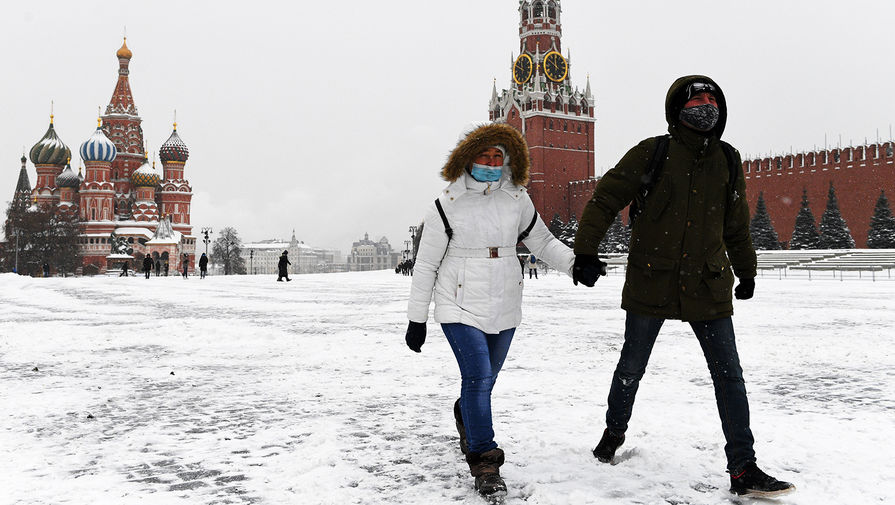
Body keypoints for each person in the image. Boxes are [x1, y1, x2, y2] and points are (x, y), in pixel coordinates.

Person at [572, 75, 794, 498]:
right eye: (696, 101)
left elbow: (736, 224)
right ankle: (613, 434)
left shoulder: (728, 160)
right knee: (631, 369)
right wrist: (585, 251)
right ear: (678, 110)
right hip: (651, 280)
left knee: (730, 376)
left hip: (707, 286)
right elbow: (606, 197)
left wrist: (747, 272)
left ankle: (743, 469)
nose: (705, 106)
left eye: (711, 100)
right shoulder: (652, 152)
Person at [405, 123, 578, 500]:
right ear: (467, 160)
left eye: (498, 156)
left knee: (484, 381)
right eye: (484, 155)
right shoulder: (445, 205)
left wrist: (574, 264)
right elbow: (426, 265)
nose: (491, 162)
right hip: (458, 302)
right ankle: (485, 460)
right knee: (480, 377)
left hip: (504, 299)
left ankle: (467, 414)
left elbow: (543, 241)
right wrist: (416, 318)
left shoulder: (516, 199)